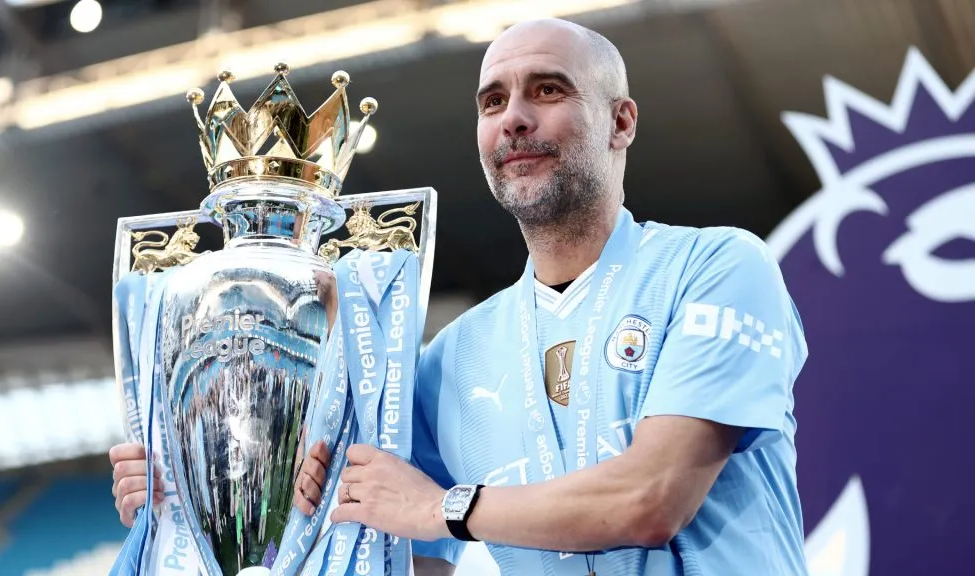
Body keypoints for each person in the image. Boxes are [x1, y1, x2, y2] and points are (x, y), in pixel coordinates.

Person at [111, 18, 809, 576]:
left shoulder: (715, 266)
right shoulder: (452, 360)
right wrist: (198, 488)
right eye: (493, 100)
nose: (513, 119)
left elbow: (650, 500)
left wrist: (442, 506)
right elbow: (401, 553)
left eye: (548, 90)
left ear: (621, 122)